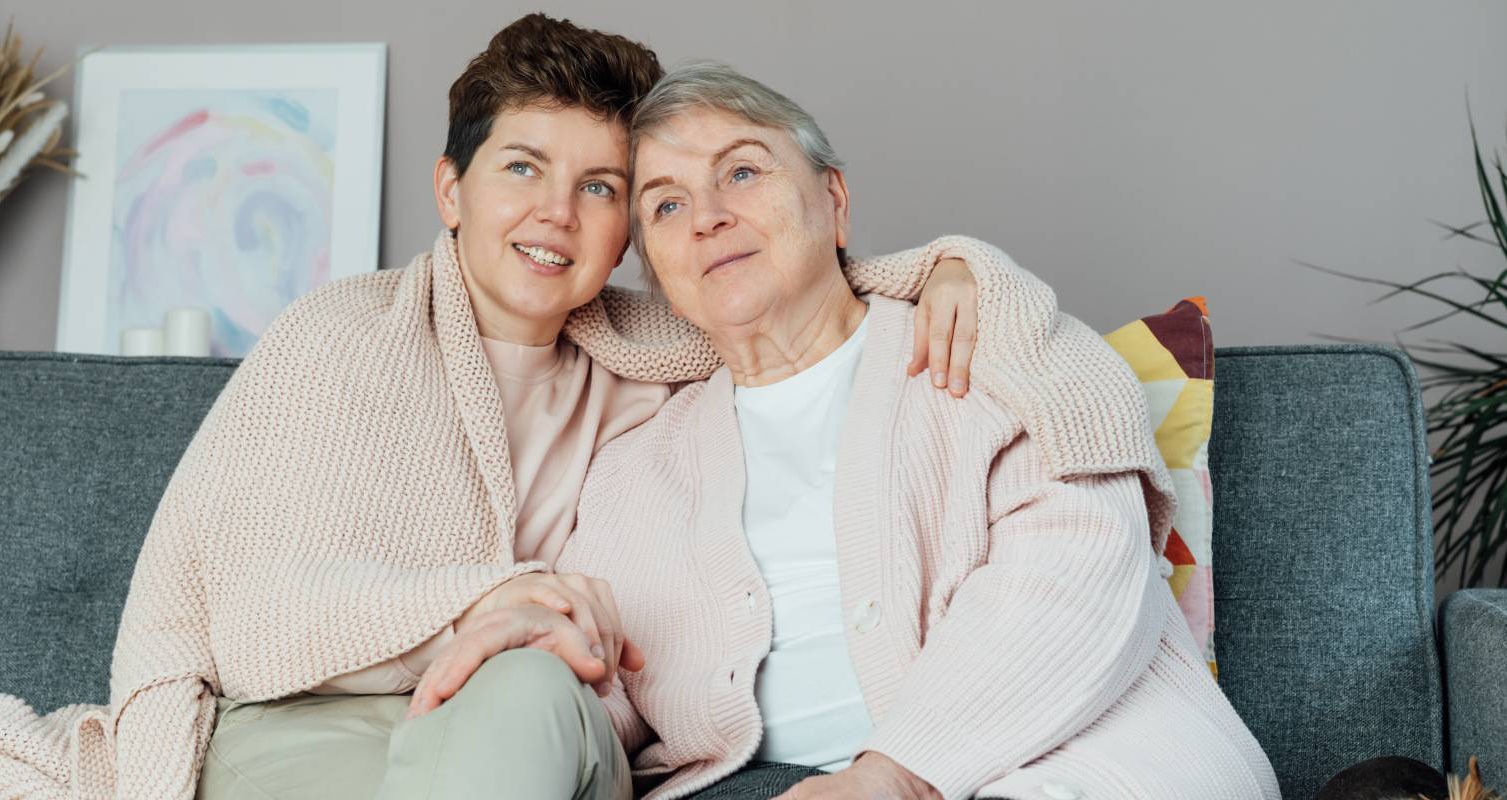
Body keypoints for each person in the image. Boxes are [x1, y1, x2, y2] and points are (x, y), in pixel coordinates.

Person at [0, 15, 1049, 800]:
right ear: (451, 187)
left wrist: (958, 267)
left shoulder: (654, 345)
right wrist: (494, 600)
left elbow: (798, 282)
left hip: (534, 736)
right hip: (309, 733)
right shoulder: (340, 335)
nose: (557, 214)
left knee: (534, 685)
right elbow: (259, 619)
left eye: (600, 188)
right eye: (521, 169)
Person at [417, 62, 1284, 800]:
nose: (708, 215)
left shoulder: (995, 341)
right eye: (666, 205)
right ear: (654, 268)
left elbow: (1077, 570)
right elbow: (619, 691)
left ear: (834, 202)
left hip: (1084, 760)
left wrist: (893, 775)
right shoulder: (638, 466)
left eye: (743, 173)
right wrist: (538, 660)